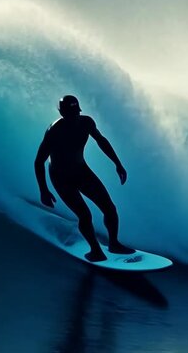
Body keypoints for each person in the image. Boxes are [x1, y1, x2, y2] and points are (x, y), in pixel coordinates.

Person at [34, 95, 135, 262]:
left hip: (81, 171)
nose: (73, 118)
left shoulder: (86, 122)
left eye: (75, 113)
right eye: (69, 114)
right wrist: (43, 190)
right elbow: (39, 161)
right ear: (61, 113)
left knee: (109, 208)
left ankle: (114, 244)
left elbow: (101, 140)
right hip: (61, 177)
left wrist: (117, 163)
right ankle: (95, 251)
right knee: (85, 215)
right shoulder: (54, 130)